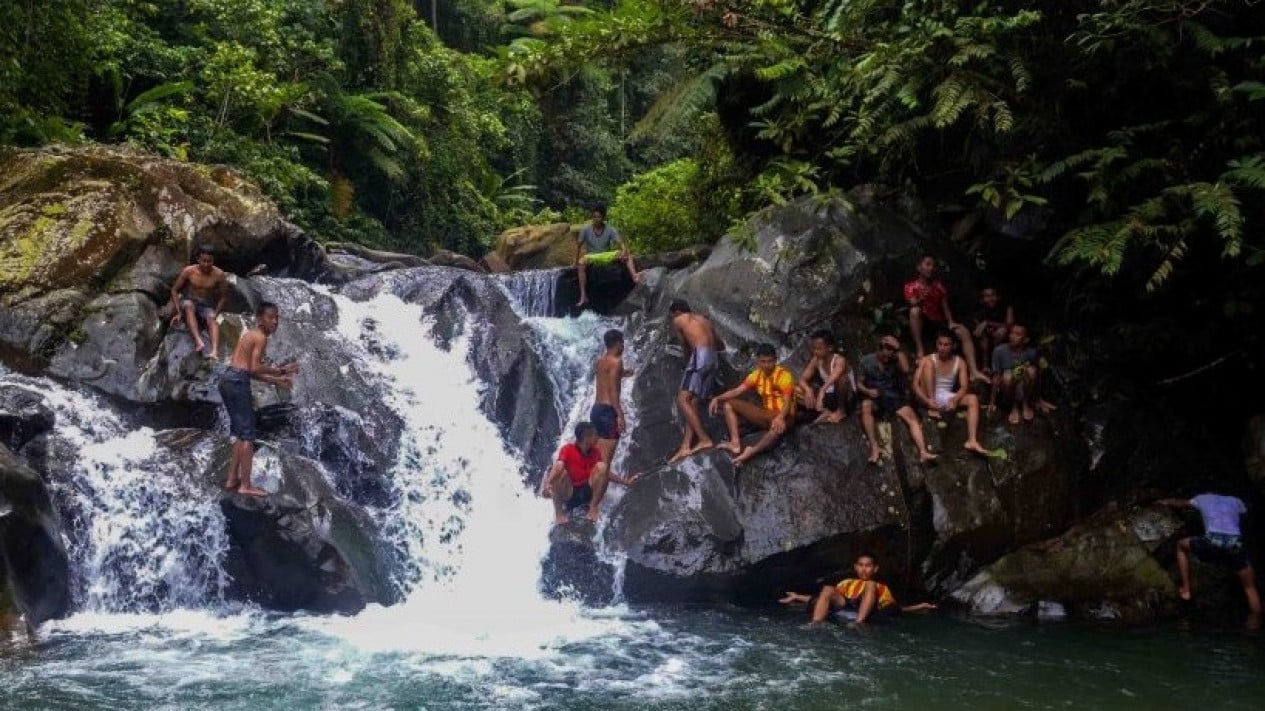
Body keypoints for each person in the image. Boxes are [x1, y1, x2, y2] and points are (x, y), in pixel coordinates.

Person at [219, 302, 298, 497]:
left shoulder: (250, 335)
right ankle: (246, 485)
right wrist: (281, 370)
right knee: (248, 434)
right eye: (271, 317)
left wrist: (277, 380)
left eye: (277, 317)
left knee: (239, 432)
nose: (275, 321)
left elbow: (249, 371)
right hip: (238, 383)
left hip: (229, 379)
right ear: (260, 319)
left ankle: (232, 479)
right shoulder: (261, 337)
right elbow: (254, 368)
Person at [1157, 494, 1261, 622]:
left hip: (1213, 540)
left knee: (1180, 545)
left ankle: (1186, 590)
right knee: (1250, 587)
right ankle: (1256, 623)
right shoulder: (1236, 501)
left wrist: (1165, 501)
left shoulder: (1203, 498)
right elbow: (1246, 516)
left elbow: (1180, 502)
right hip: (1235, 542)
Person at [779, 552, 937, 624]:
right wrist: (797, 596)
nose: (864, 569)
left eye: (868, 566)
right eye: (860, 565)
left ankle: (859, 623)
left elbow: (896, 608)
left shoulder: (880, 587)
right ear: (855, 567)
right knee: (827, 588)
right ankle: (815, 623)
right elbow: (824, 597)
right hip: (846, 603)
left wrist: (920, 607)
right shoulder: (847, 583)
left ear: (875, 569)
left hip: (869, 608)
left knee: (870, 585)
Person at [903, 255, 987, 382]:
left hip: (937, 322)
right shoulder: (911, 286)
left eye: (933, 265)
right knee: (914, 311)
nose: (931, 268)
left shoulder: (938, 286)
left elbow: (945, 306)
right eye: (927, 264)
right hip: (923, 321)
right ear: (919, 267)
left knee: (962, 330)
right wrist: (921, 298)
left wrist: (951, 322)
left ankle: (974, 371)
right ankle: (920, 350)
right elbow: (913, 303)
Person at [709, 343, 795, 467]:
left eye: (770, 361)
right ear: (758, 361)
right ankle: (735, 443)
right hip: (765, 414)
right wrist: (718, 398)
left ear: (775, 360)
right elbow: (737, 391)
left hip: (785, 416)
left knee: (775, 430)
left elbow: (788, 401)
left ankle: (751, 452)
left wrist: (781, 418)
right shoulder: (756, 375)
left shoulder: (784, 376)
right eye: (763, 361)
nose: (766, 365)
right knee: (729, 405)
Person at [857, 335, 937, 465]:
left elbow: (905, 369)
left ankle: (923, 451)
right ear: (878, 350)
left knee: (911, 417)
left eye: (890, 354)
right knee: (866, 406)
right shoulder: (866, 361)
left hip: (892, 395)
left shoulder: (895, 358)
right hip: (875, 396)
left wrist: (898, 349)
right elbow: (859, 384)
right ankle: (874, 446)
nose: (886, 358)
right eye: (884, 354)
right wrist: (867, 391)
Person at [668, 300, 724, 464]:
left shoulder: (679, 320)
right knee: (692, 402)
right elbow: (720, 344)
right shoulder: (704, 320)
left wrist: (688, 362)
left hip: (700, 357)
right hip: (713, 359)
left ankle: (704, 439)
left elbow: (685, 346)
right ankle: (686, 445)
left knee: (682, 399)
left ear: (677, 312)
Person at [913, 332, 988, 455]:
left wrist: (955, 400)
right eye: (940, 344)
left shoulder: (960, 362)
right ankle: (932, 407)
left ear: (953, 346)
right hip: (926, 395)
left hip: (945, 395)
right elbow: (915, 385)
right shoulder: (927, 359)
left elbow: (964, 386)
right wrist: (928, 401)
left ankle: (972, 440)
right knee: (928, 365)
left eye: (946, 345)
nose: (942, 347)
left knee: (973, 399)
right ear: (936, 344)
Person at [541, 422, 622, 524]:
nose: (598, 437)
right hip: (570, 493)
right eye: (595, 435)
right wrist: (548, 485)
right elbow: (558, 467)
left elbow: (605, 473)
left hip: (587, 491)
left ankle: (592, 507)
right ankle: (559, 514)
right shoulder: (568, 449)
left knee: (602, 467)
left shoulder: (595, 452)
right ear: (586, 438)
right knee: (560, 471)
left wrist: (624, 482)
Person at [591, 329, 641, 486]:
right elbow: (613, 391)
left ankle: (590, 489)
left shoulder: (600, 360)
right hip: (608, 413)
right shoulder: (617, 361)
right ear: (618, 343)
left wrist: (623, 373)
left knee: (597, 458)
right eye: (623, 342)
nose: (624, 345)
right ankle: (594, 503)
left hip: (596, 410)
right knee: (604, 463)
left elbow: (606, 377)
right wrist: (620, 415)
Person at [170, 245, 229, 359]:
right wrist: (178, 311)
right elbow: (174, 290)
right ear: (198, 260)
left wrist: (216, 314)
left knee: (212, 318)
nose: (206, 264)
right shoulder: (189, 271)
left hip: (205, 305)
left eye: (210, 261)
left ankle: (214, 351)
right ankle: (198, 341)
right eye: (204, 261)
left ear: (213, 260)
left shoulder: (219, 275)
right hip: (189, 300)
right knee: (189, 305)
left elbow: (224, 296)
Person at [988, 323, 1056, 424]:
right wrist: (992, 402)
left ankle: (1025, 404)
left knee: (1032, 370)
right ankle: (1014, 407)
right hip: (1007, 390)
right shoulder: (999, 351)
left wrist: (1038, 399)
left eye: (1017, 334)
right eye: (1011, 333)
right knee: (1007, 376)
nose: (1012, 336)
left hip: (1025, 390)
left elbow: (1038, 375)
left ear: (1025, 340)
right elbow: (996, 378)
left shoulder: (1031, 352)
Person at [575, 206, 639, 307]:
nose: (596, 219)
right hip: (592, 256)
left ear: (603, 218)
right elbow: (579, 245)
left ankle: (634, 276)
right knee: (581, 264)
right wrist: (576, 261)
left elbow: (620, 243)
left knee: (627, 255)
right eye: (594, 217)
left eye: (599, 217)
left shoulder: (610, 229)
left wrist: (623, 251)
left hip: (606, 254)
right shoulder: (586, 229)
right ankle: (583, 295)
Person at [796, 329, 850, 423]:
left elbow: (835, 377)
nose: (815, 351)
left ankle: (841, 411)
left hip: (843, 397)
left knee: (842, 379)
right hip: (827, 396)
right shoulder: (816, 360)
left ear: (830, 348)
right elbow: (802, 379)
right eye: (814, 348)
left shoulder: (839, 360)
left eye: (819, 348)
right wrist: (808, 390)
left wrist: (822, 391)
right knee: (794, 389)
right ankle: (824, 412)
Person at [972, 287, 1014, 375]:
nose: (991, 298)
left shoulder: (1006, 306)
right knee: (983, 336)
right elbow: (977, 330)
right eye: (987, 296)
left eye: (993, 295)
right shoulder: (978, 309)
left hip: (1004, 334)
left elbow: (1010, 325)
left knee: (1001, 332)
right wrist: (987, 328)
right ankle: (985, 367)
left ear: (998, 297)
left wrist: (988, 323)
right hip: (987, 335)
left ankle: (995, 365)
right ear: (982, 299)